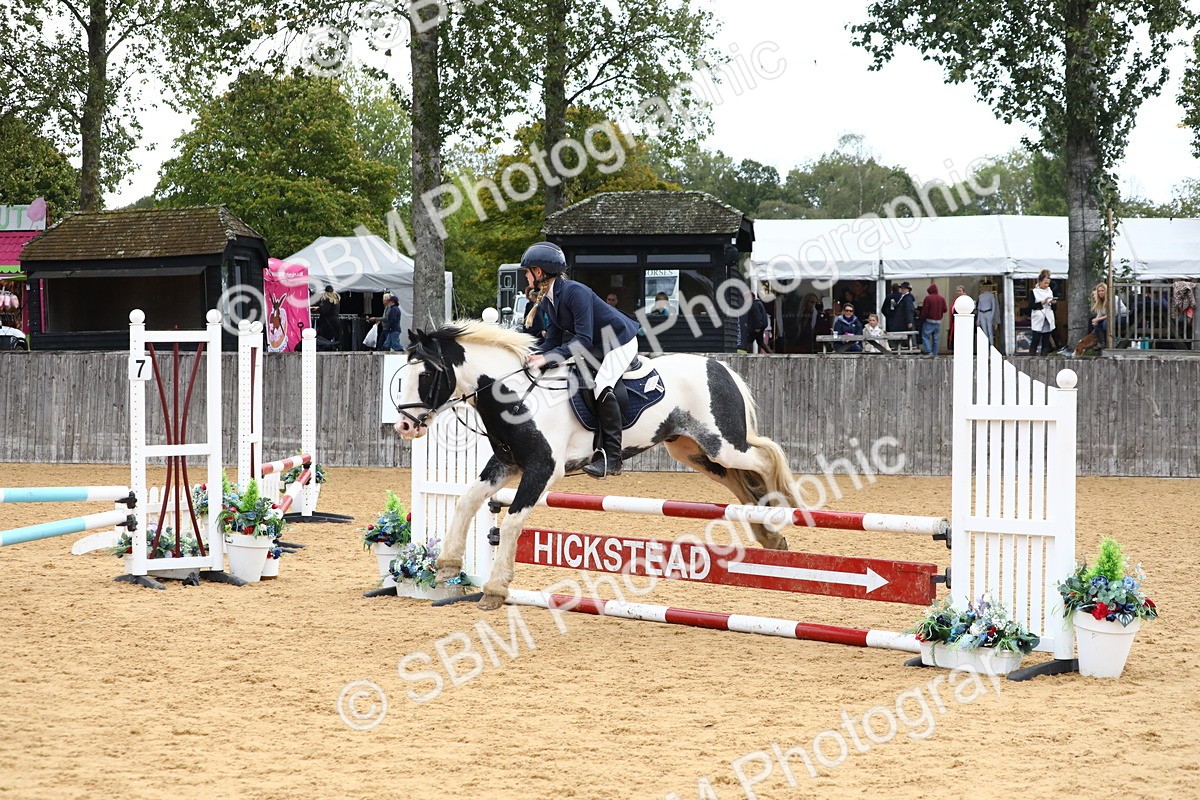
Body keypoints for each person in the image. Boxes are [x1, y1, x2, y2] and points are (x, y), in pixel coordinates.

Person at [522, 241, 640, 479]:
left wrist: (547, 357)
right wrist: (532, 355)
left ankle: (613, 458)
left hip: (619, 341)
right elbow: (552, 342)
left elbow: (583, 339)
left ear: (539, 272)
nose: (525, 276)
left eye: (527, 271)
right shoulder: (548, 299)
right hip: (597, 346)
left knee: (603, 385)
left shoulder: (575, 292)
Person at [1089, 282, 1127, 349]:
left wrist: (1098, 319)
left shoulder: (1113, 298)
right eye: (1099, 291)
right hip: (1112, 318)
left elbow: (1112, 314)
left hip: (1122, 317)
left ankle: (1111, 342)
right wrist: (1095, 320)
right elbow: (1100, 313)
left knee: (1106, 323)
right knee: (1096, 324)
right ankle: (1102, 343)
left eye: (1102, 291)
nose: (1100, 292)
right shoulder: (1100, 301)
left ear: (1106, 291)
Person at [1029, 271, 1056, 355]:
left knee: (1046, 339)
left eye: (1048, 283)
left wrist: (1053, 303)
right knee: (1036, 338)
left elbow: (1054, 308)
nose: (1046, 285)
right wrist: (1042, 303)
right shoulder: (1034, 292)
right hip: (1039, 315)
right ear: (1040, 281)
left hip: (1048, 316)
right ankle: (1032, 356)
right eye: (1045, 283)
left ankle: (1044, 356)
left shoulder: (1049, 291)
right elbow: (1031, 305)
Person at [918, 283, 948, 355]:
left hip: (929, 321)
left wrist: (922, 318)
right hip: (938, 321)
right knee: (936, 338)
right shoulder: (941, 298)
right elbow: (945, 309)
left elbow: (925, 310)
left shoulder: (928, 298)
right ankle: (935, 353)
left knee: (925, 336)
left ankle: (928, 351)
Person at [739, 288, 771, 353]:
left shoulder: (755, 305)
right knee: (760, 342)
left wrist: (758, 327)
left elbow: (757, 317)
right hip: (759, 327)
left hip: (757, 327)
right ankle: (771, 353)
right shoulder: (758, 304)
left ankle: (748, 356)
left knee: (749, 340)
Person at [313, 285, 342, 349]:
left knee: (325, 339)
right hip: (336, 321)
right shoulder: (336, 300)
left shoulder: (327, 300)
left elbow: (324, 310)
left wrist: (318, 309)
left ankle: (327, 349)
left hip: (327, 322)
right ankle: (337, 348)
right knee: (337, 337)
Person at [946, 285, 967, 352]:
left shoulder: (965, 299)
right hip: (954, 322)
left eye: (960, 291)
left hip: (962, 322)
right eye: (957, 291)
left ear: (963, 292)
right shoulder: (956, 299)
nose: (958, 292)